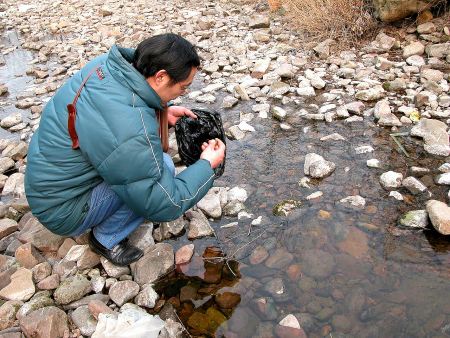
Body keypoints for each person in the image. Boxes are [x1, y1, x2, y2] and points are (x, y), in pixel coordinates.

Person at [24, 33, 226, 266]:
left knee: (144, 168)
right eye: (183, 87)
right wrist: (206, 165)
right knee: (164, 169)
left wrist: (162, 111)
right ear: (160, 77)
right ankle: (105, 239)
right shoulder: (130, 127)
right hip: (62, 210)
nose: (184, 93)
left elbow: (110, 117)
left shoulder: (106, 67)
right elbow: (162, 202)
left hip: (46, 187)